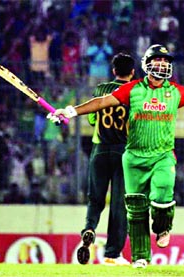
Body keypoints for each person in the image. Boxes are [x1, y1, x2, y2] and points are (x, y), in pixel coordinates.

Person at [48, 44, 184, 269]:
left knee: (162, 192)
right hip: (133, 158)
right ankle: (140, 257)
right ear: (147, 64)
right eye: (158, 61)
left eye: (166, 62)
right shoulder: (133, 89)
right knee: (135, 210)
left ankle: (162, 227)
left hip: (162, 156)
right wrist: (70, 111)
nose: (163, 65)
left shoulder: (176, 91)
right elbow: (101, 102)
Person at [75, 53, 135, 266]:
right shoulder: (135, 92)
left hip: (99, 150)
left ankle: (89, 228)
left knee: (95, 198)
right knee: (119, 204)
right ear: (133, 72)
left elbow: (92, 118)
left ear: (113, 71)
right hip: (123, 152)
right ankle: (112, 253)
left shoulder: (101, 90)